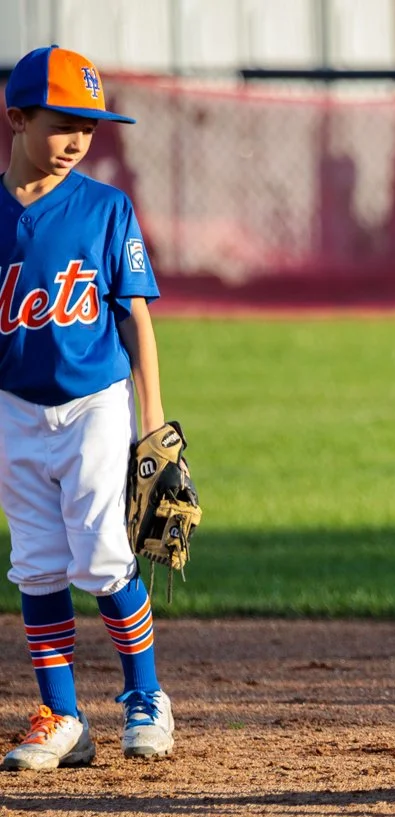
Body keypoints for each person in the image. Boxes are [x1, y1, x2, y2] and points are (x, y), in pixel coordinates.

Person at [0, 46, 174, 770]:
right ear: (16, 117)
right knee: (37, 564)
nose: (78, 138)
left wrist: (154, 420)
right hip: (12, 409)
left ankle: (146, 698)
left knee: (103, 555)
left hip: (96, 404)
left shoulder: (105, 208)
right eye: (64, 121)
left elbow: (135, 319)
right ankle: (63, 715)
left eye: (90, 127)